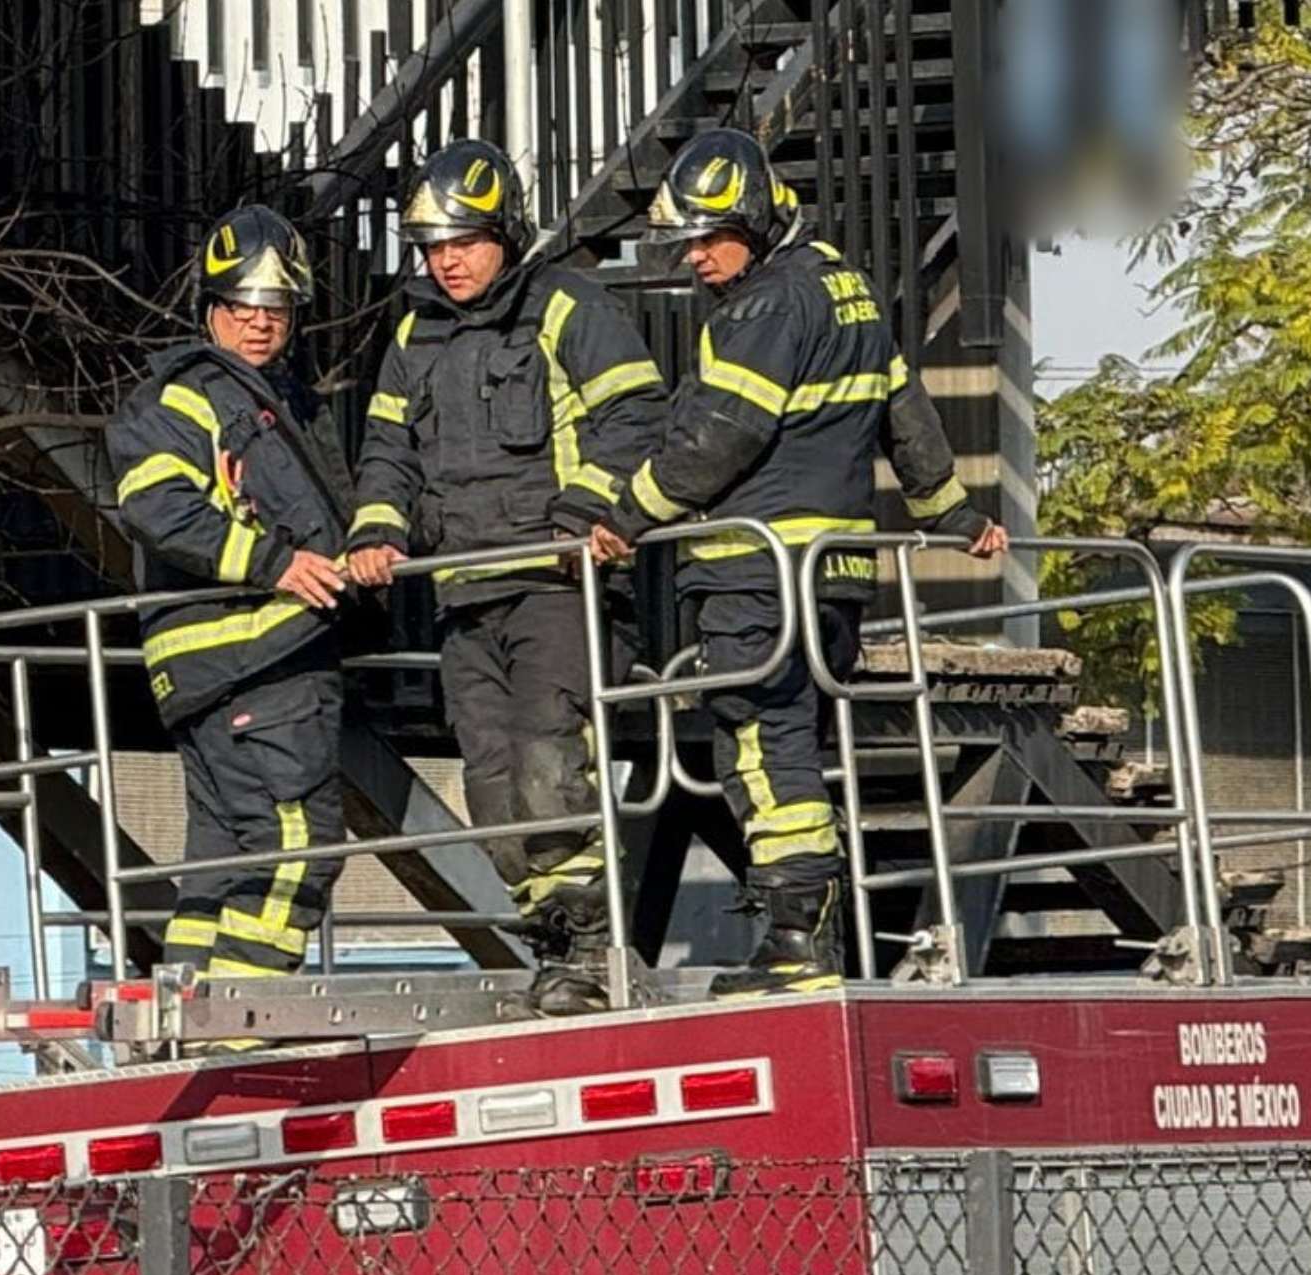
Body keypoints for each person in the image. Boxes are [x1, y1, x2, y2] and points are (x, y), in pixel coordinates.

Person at [590, 128, 1008, 1000]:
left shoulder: (764, 308)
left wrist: (628, 516)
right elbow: (910, 420)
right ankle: (807, 936)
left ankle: (795, 941)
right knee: (795, 747)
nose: (697, 258)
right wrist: (955, 517)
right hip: (833, 575)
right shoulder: (846, 290)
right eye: (687, 243)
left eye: (710, 239)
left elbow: (721, 438)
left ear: (752, 217)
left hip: (755, 572)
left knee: (761, 748)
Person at [346, 139, 667, 1015]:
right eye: (432, 247)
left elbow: (635, 413)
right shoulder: (414, 334)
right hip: (463, 592)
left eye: (464, 242)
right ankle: (558, 941)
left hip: (559, 589)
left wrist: (582, 518)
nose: (446, 261)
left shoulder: (567, 306)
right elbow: (387, 450)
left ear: (506, 233)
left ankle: (593, 949)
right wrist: (376, 529)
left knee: (548, 764)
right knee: (490, 782)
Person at [106, 205, 355, 991]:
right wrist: (276, 563)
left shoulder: (285, 406)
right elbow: (158, 506)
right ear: (209, 311)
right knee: (298, 838)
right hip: (253, 653)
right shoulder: (190, 399)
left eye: (274, 309)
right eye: (240, 307)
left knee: (223, 854)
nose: (257, 323)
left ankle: (188, 1010)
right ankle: (244, 1016)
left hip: (226, 667)